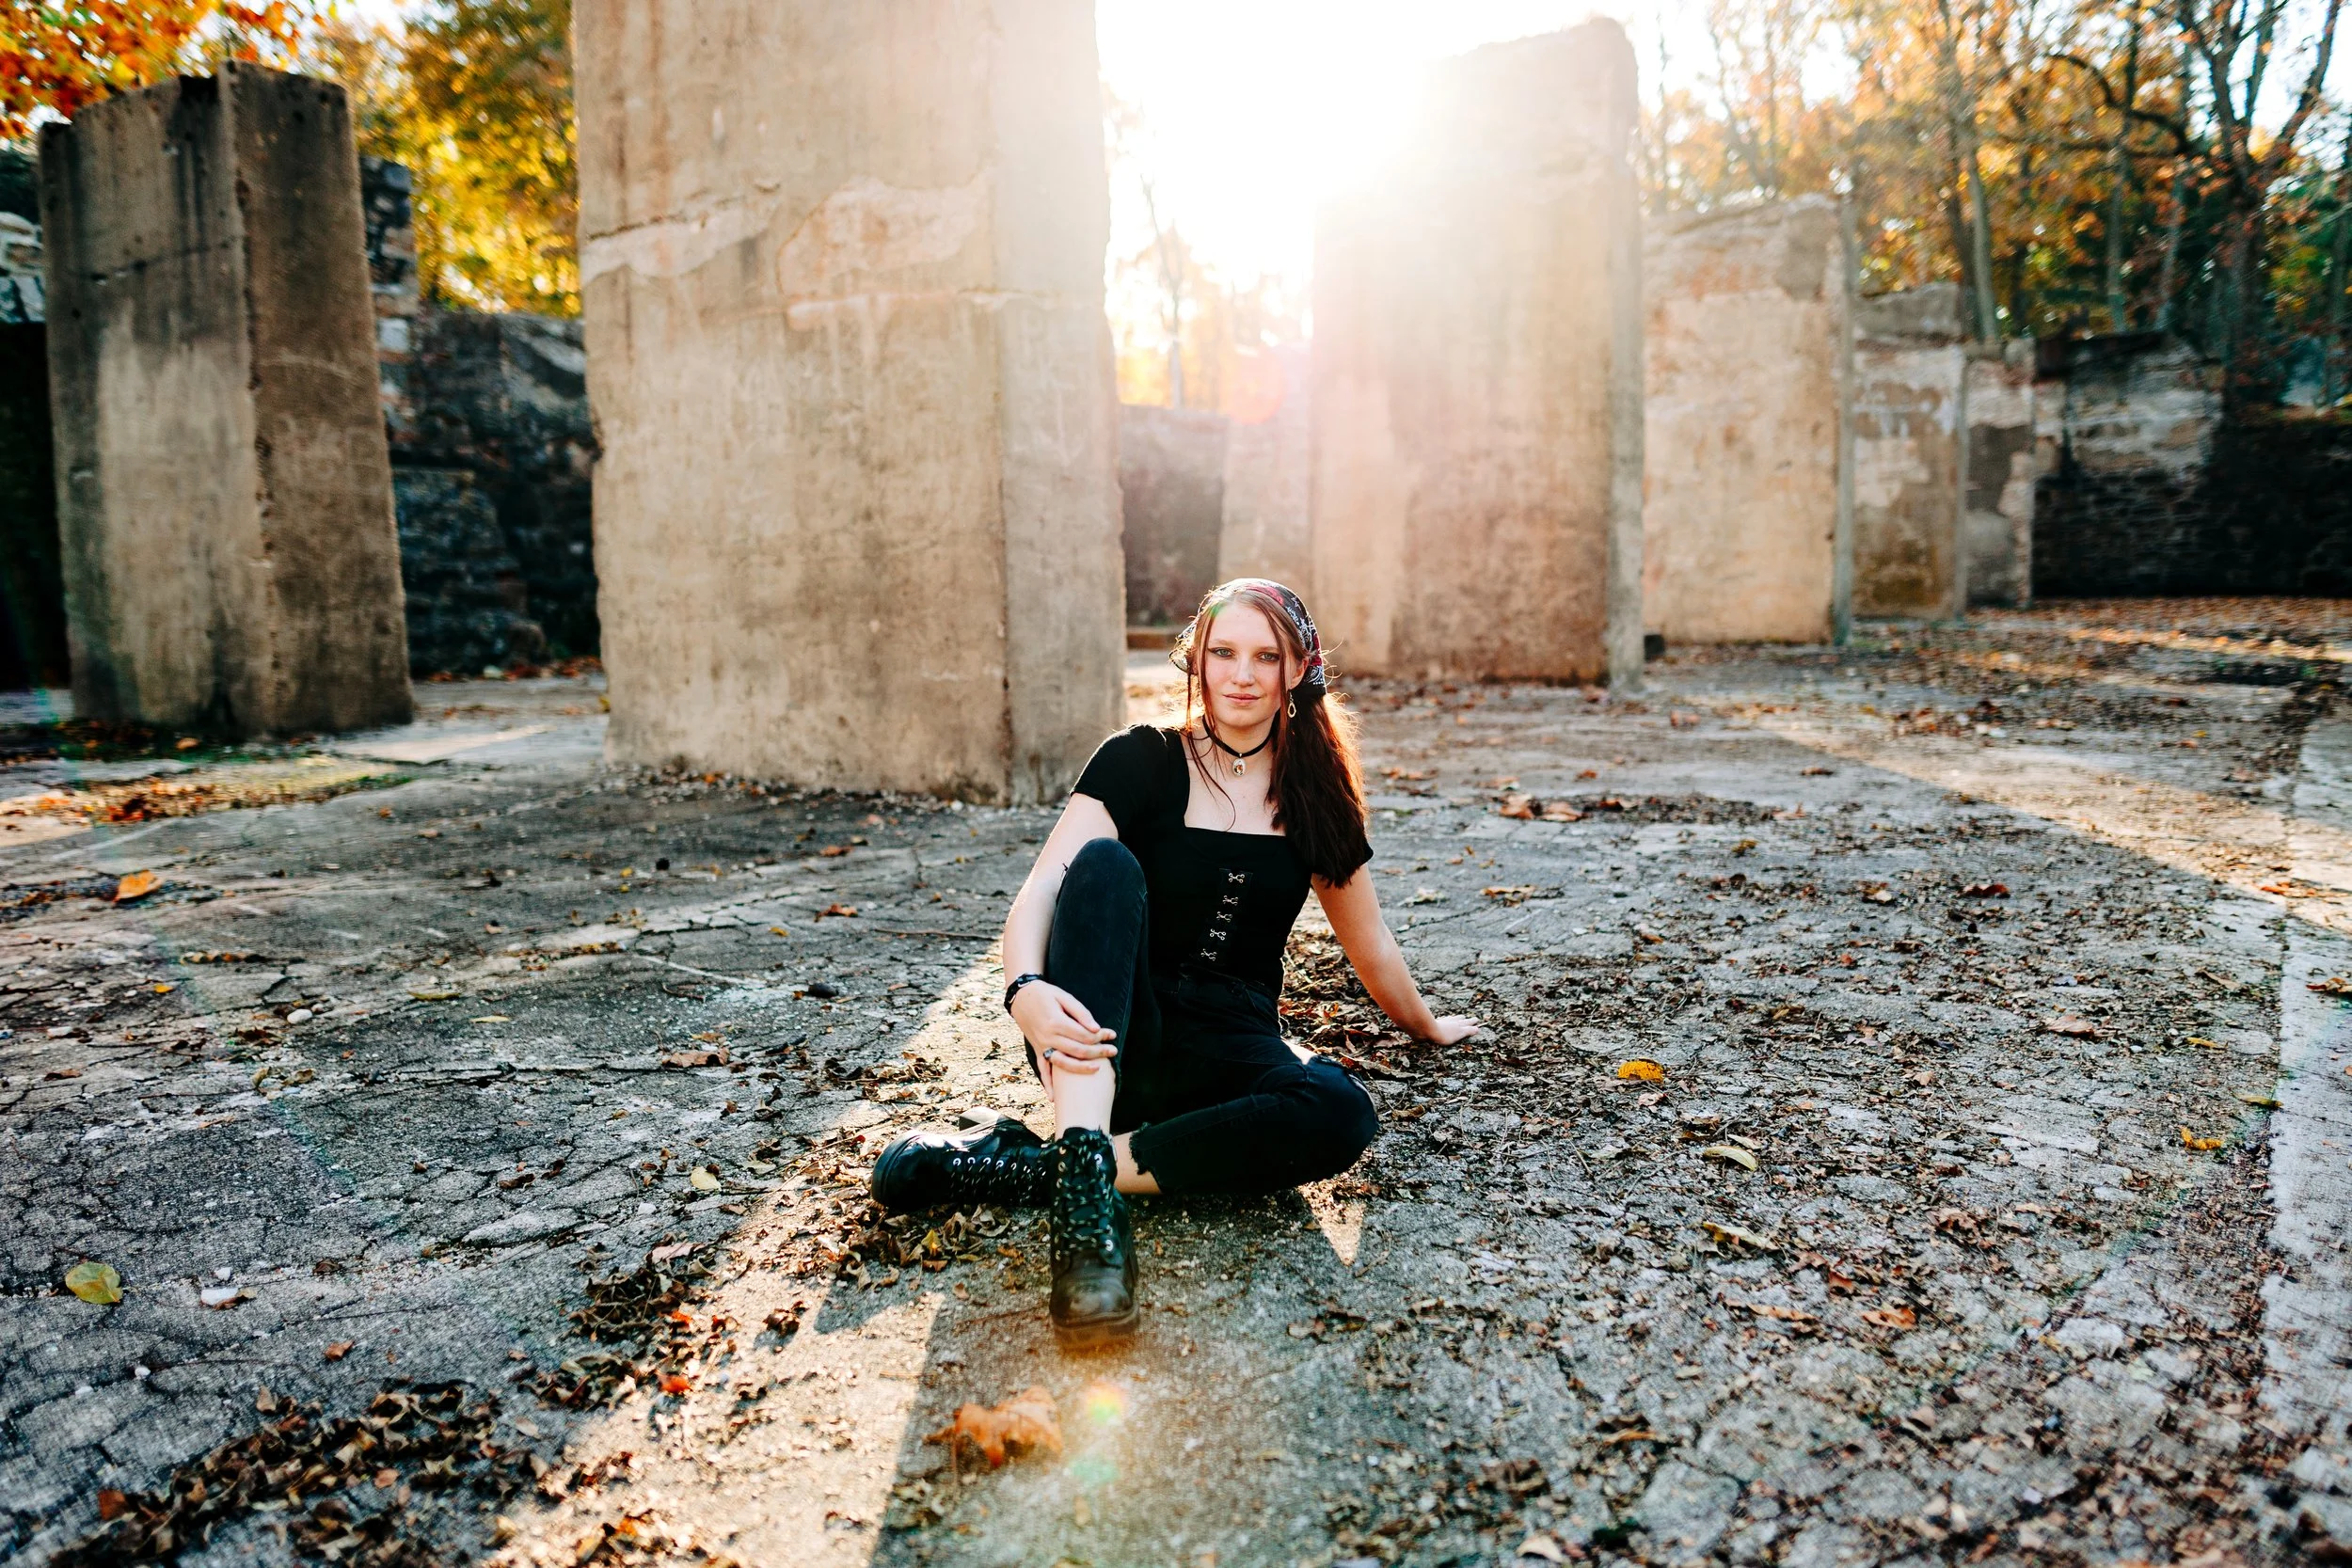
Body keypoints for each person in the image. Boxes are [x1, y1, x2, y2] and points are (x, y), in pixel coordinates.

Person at [868, 579, 1480, 1348]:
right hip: (1105, 1032)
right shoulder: (1141, 759)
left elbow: (1373, 943)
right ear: (1198, 659)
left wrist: (1426, 1024)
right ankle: (1088, 1228)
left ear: (1298, 669)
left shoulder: (1316, 793)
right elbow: (1042, 890)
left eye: (1266, 656)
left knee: (1341, 1108)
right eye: (1224, 653)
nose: (1242, 675)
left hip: (1227, 1047)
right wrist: (1023, 990)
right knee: (1101, 864)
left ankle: (1055, 1167)